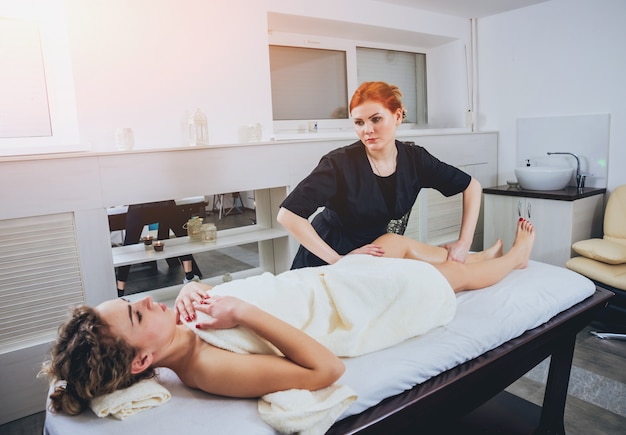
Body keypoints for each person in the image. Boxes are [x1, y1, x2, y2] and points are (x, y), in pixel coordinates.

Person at [41, 219, 535, 416]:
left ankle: (469, 255)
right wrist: (240, 310)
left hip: (325, 284)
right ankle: (509, 261)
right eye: (136, 311)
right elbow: (326, 371)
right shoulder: (208, 369)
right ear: (140, 361)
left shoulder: (179, 327)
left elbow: (222, 297)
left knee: (390, 244)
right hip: (351, 309)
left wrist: (196, 288)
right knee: (445, 280)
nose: (150, 300)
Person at [277, 81, 482, 269]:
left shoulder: (415, 159)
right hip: (329, 255)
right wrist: (339, 260)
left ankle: (488, 258)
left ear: (398, 116)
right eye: (359, 122)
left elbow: (471, 186)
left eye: (376, 119)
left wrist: (464, 242)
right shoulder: (339, 163)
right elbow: (288, 215)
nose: (367, 130)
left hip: (377, 251)